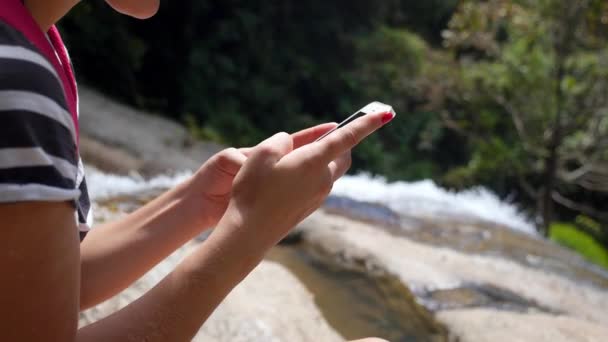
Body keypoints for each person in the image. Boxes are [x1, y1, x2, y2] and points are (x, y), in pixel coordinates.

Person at [0, 0, 395, 340]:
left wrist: (196, 203)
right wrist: (249, 232)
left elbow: (39, 286)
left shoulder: (36, 40)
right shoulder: (18, 80)